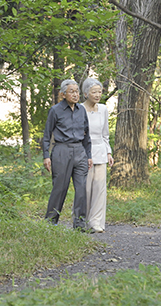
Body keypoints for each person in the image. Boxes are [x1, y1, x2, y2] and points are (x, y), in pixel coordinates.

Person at [43, 79, 93, 230]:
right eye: (72, 91)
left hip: (80, 151)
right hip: (61, 151)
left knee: (82, 188)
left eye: (77, 91)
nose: (75, 94)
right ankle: (51, 222)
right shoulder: (55, 110)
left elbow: (87, 135)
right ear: (63, 94)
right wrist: (46, 156)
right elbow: (46, 135)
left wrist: (88, 155)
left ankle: (79, 224)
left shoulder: (81, 110)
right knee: (60, 188)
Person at [82, 77, 114, 233]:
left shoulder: (103, 109)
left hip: (100, 151)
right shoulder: (79, 109)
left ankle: (96, 222)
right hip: (84, 153)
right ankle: (83, 220)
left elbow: (105, 134)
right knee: (86, 189)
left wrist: (108, 152)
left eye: (99, 92)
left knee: (99, 189)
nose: (97, 95)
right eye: (94, 92)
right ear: (86, 93)